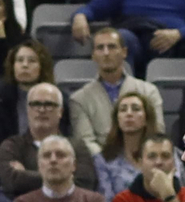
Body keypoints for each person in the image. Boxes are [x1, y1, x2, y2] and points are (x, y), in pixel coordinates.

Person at [68, 26, 165, 158]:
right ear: (93, 55)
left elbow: (157, 132)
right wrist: (110, 165)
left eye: (112, 47)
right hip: (102, 166)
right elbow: (86, 142)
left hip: (144, 160)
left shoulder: (148, 91)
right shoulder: (80, 99)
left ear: (124, 52)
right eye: (100, 48)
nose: (106, 53)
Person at [0, 83, 98, 197]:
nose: (41, 110)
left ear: (60, 111)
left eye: (49, 104)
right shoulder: (12, 146)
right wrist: (62, 177)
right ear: (27, 110)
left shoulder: (76, 146)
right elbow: (10, 182)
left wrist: (25, 175)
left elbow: (84, 183)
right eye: (35, 104)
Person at [0, 39, 54, 159]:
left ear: (42, 66)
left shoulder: (57, 99)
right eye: (20, 60)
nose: (24, 65)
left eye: (32, 61)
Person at [91, 92, 155, 202]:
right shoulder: (104, 158)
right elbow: (107, 201)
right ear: (117, 119)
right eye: (123, 110)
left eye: (135, 109)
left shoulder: (164, 153)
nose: (129, 114)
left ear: (146, 118)